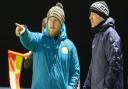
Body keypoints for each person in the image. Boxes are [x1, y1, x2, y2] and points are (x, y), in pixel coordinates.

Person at [15, 2, 80, 89]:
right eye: (50, 20)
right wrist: (23, 32)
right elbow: (29, 38)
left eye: (56, 20)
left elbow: (75, 72)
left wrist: (70, 87)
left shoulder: (70, 46)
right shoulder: (39, 39)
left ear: (61, 24)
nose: (52, 23)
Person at [83, 1, 123, 89]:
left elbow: (115, 64)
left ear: (100, 15)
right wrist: (86, 86)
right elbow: (92, 66)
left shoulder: (110, 34)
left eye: (92, 14)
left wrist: (106, 87)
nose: (90, 18)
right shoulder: (96, 37)